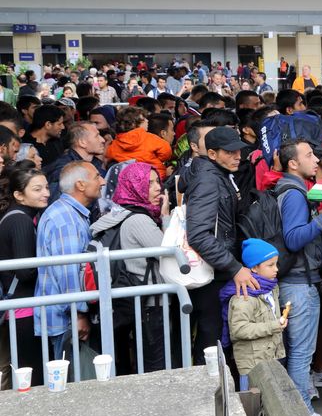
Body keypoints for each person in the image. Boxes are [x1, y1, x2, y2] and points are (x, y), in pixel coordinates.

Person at [273, 139, 322, 416]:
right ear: (292, 163)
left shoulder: (296, 190)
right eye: (309, 155)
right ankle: (303, 415)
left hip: (299, 282)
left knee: (299, 352)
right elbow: (293, 238)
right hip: (298, 285)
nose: (316, 160)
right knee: (301, 353)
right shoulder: (293, 195)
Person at [90, 161, 173, 374]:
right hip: (151, 302)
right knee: (156, 364)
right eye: (149, 183)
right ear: (134, 186)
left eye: (158, 181)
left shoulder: (118, 214)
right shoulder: (139, 220)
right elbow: (168, 250)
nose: (158, 188)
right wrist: (165, 216)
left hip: (134, 300)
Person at [185, 127, 253, 363]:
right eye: (230, 152)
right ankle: (209, 395)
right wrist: (234, 267)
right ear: (212, 154)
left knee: (213, 338)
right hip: (212, 273)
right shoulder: (208, 180)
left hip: (216, 270)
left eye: (239, 151)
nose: (238, 156)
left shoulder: (218, 175)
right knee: (210, 341)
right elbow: (198, 235)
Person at [34, 162, 104, 361]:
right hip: (67, 321)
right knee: (72, 382)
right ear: (80, 185)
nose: (103, 181)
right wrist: (78, 315)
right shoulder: (66, 219)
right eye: (97, 176)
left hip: (65, 318)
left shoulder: (70, 212)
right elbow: (68, 273)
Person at [0, 162, 48, 389]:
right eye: (37, 190)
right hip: (23, 310)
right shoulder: (20, 220)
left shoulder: (16, 216)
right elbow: (25, 270)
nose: (46, 193)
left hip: (19, 308)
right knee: (31, 375)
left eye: (46, 187)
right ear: (19, 194)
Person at [222, 239, 287, 392]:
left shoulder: (271, 287)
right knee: (253, 409)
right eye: (270, 265)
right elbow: (238, 329)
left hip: (271, 359)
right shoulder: (244, 296)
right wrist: (274, 325)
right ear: (254, 268)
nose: (276, 269)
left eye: (276, 264)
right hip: (252, 368)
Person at [105, 106, 173, 180]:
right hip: (155, 176)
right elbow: (166, 151)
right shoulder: (149, 137)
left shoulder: (115, 143)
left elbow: (107, 156)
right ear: (133, 124)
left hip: (131, 180)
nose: (147, 121)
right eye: (144, 119)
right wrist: (156, 158)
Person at [24, 104, 66, 170]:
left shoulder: (57, 142)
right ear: (48, 125)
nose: (63, 127)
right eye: (59, 124)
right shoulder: (25, 146)